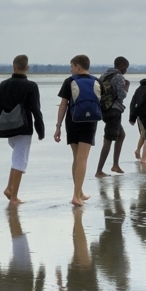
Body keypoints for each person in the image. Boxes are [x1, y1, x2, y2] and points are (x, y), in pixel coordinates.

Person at [0, 54, 46, 205]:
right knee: (20, 161)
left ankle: (9, 188)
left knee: (16, 158)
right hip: (24, 128)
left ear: (13, 66)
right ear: (27, 68)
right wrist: (40, 130)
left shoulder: (4, 84)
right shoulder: (31, 86)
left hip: (7, 129)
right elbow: (36, 110)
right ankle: (14, 197)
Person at [53, 54, 101, 207]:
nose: (70, 69)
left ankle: (78, 192)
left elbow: (63, 105)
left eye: (72, 66)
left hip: (72, 121)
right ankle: (76, 195)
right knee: (83, 159)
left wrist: (58, 126)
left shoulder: (70, 81)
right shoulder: (96, 81)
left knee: (77, 158)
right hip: (90, 122)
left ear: (78, 66)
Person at [94, 56, 130, 178]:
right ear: (121, 65)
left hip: (104, 110)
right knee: (108, 140)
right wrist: (126, 86)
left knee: (121, 135)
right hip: (114, 110)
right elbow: (121, 95)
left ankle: (115, 164)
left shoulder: (104, 75)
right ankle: (99, 170)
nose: (126, 71)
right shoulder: (119, 76)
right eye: (126, 68)